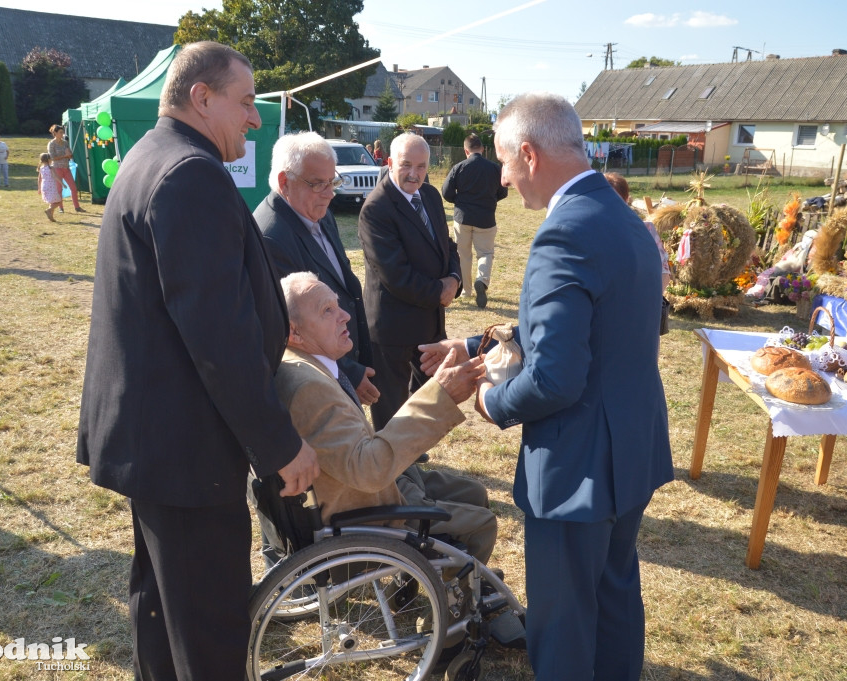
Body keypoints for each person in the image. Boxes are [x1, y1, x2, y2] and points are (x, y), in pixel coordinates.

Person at [76, 41, 319, 681]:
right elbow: (219, 334)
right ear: (201, 98)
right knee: (208, 629)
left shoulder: (151, 158)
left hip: (158, 438)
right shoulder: (190, 173)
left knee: (164, 610)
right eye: (245, 102)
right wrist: (278, 443)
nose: (257, 119)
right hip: (185, 446)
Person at [421, 93, 673, 680]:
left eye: (506, 164)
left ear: (529, 154)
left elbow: (557, 377)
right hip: (630, 445)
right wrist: (485, 346)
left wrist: (490, 400)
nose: (504, 182)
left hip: (578, 462)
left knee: (561, 624)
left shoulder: (563, 234)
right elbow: (594, 328)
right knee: (613, 595)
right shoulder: (619, 216)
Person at [274, 271, 496, 562]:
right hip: (367, 516)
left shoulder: (302, 364)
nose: (345, 316)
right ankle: (455, 601)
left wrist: (437, 393)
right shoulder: (309, 388)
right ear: (295, 332)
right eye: (327, 311)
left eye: (337, 305)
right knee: (482, 524)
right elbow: (368, 470)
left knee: (475, 492)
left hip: (375, 488)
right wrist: (441, 395)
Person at [256, 131, 378, 406]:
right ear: (284, 182)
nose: (330, 193)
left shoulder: (319, 213)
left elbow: (343, 283)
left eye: (332, 181)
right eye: (318, 184)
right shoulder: (270, 236)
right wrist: (349, 373)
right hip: (315, 383)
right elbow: (293, 329)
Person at [358, 132, 461, 430]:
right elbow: (396, 276)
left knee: (426, 397)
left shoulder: (429, 195)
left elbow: (447, 247)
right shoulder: (376, 209)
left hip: (429, 323)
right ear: (389, 163)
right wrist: (440, 292)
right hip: (393, 328)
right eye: (406, 165)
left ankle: (413, 453)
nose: (414, 174)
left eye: (421, 166)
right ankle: (393, 471)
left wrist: (454, 279)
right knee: (390, 409)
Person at [442, 133, 509, 308]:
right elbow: (503, 191)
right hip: (486, 218)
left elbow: (446, 192)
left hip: (462, 218)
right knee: (485, 253)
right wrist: (490, 200)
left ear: (466, 151)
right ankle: (482, 280)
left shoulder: (459, 167)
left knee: (462, 254)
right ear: (483, 149)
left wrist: (459, 201)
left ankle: (466, 290)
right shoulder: (494, 169)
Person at [603, 172, 670, 293]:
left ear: (627, 200)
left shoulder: (647, 230)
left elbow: (664, 272)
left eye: (616, 200)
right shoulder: (591, 232)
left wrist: (651, 300)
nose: (610, 206)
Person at [47, 124, 85, 212]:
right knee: (59, 189)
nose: (62, 134)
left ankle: (77, 207)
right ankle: (61, 208)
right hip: (57, 168)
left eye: (62, 132)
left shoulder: (65, 143)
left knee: (73, 187)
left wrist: (69, 155)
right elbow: (52, 157)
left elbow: (70, 155)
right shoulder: (51, 144)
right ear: (55, 133)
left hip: (66, 168)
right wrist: (65, 155)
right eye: (60, 132)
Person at [37, 153, 62, 221]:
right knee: (58, 201)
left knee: (52, 202)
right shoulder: (51, 167)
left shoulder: (41, 168)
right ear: (48, 160)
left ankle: (51, 216)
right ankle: (49, 210)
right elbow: (55, 176)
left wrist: (39, 188)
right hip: (51, 186)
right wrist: (62, 183)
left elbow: (39, 178)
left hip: (44, 186)